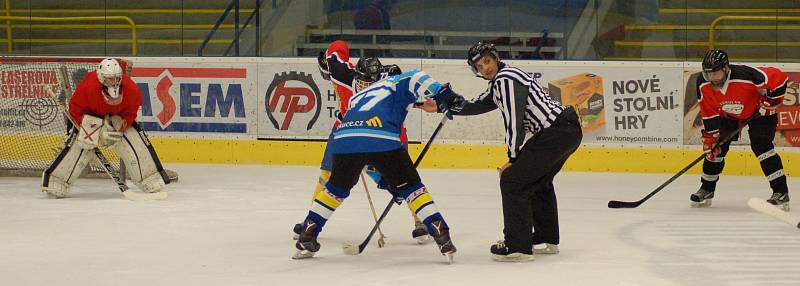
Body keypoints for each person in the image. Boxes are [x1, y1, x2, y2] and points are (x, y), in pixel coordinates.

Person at [417, 41, 582, 262]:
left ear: (495, 58)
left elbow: (513, 121)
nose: (485, 67)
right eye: (479, 65)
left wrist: (513, 159)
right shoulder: (502, 81)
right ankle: (546, 238)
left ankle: (518, 247)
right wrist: (439, 106)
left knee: (513, 180)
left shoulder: (505, 80)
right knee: (538, 182)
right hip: (565, 131)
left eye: (487, 61)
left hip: (556, 132)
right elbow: (476, 105)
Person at [292, 64, 458, 261]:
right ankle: (442, 235)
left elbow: (368, 153)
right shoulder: (395, 83)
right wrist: (446, 96)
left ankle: (307, 237)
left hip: (344, 139)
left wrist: (389, 182)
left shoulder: (358, 96)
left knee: (334, 190)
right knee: (414, 190)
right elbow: (415, 77)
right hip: (382, 137)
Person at [292, 40, 431, 243]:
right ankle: (311, 222)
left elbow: (408, 94)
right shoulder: (341, 73)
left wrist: (422, 102)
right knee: (328, 176)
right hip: (346, 133)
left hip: (385, 133)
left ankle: (420, 220)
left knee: (406, 179)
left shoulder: (386, 83)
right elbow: (337, 46)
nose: (365, 86)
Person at [41, 58, 170, 198]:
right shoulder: (88, 88)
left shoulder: (132, 90)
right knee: (84, 142)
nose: (114, 82)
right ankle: (57, 181)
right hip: (91, 117)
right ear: (102, 77)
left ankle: (150, 178)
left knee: (133, 137)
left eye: (117, 78)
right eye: (110, 79)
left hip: (117, 117)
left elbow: (131, 113)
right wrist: (96, 129)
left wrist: (122, 125)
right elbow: (74, 110)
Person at [690, 49, 790, 210]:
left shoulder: (746, 75)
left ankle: (780, 192)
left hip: (759, 114)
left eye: (715, 73)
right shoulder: (703, 82)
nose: (712, 77)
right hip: (727, 115)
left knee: (762, 148)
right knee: (716, 149)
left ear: (726, 68)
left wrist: (771, 101)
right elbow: (707, 109)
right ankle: (706, 189)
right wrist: (711, 135)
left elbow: (780, 78)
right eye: (708, 73)